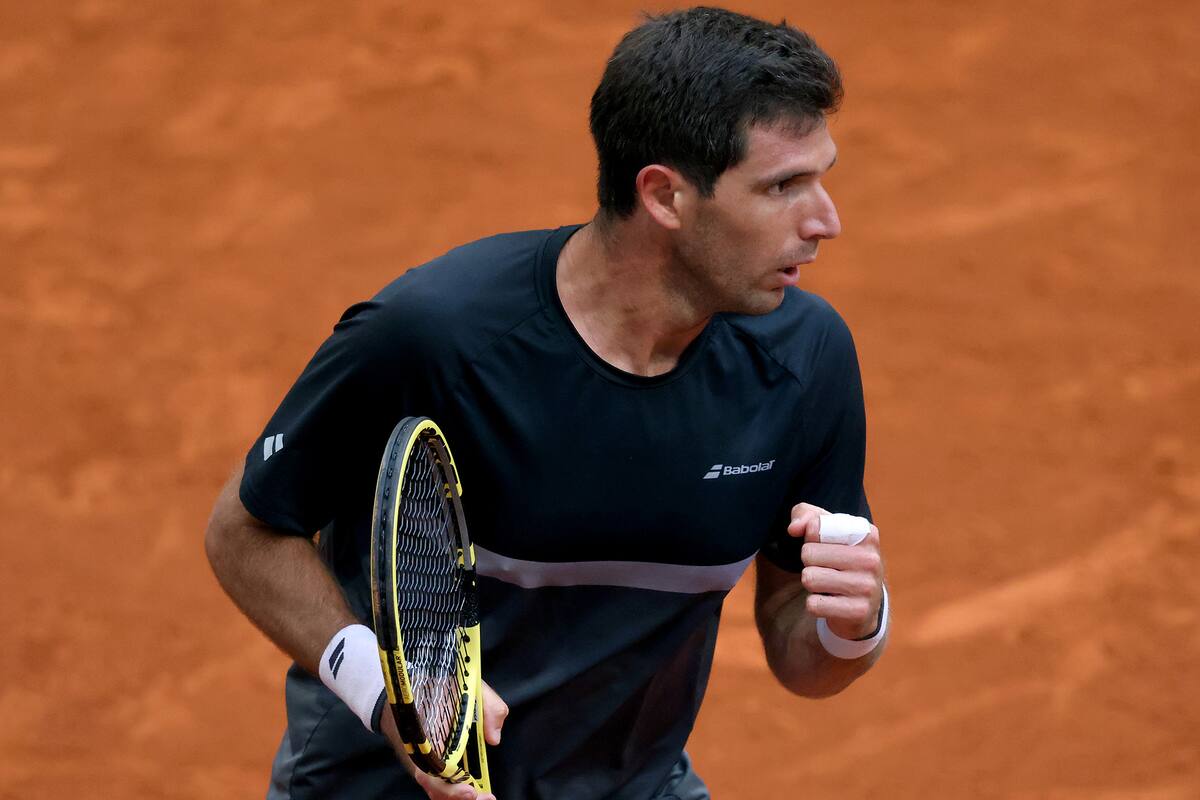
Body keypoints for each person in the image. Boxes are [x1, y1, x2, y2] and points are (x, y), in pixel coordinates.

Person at [205, 7, 888, 799]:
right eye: (783, 187)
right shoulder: (437, 339)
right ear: (665, 196)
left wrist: (856, 625)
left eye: (822, 177)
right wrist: (392, 697)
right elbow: (245, 532)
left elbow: (802, 655)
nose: (826, 221)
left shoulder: (804, 362)